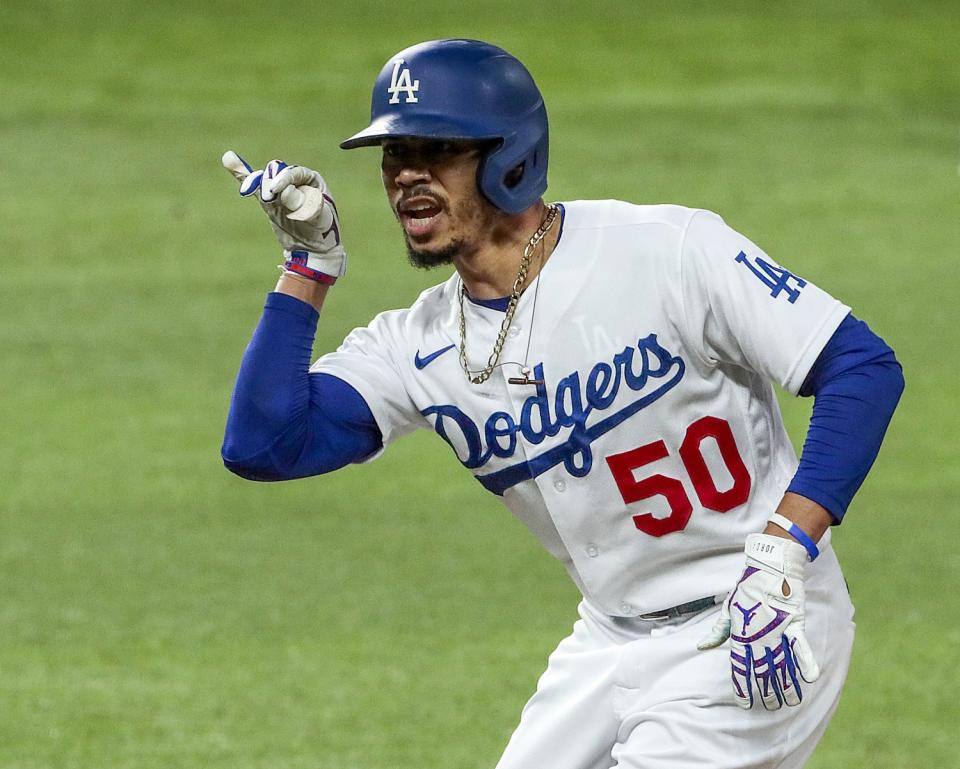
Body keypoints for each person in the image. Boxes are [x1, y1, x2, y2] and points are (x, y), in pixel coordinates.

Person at [220, 39, 903, 769]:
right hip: (608, 639)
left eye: (437, 150)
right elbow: (265, 443)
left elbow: (862, 366)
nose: (407, 175)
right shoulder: (413, 343)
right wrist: (309, 267)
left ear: (511, 157)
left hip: (756, 616)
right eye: (394, 154)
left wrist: (784, 544)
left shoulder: (666, 251)